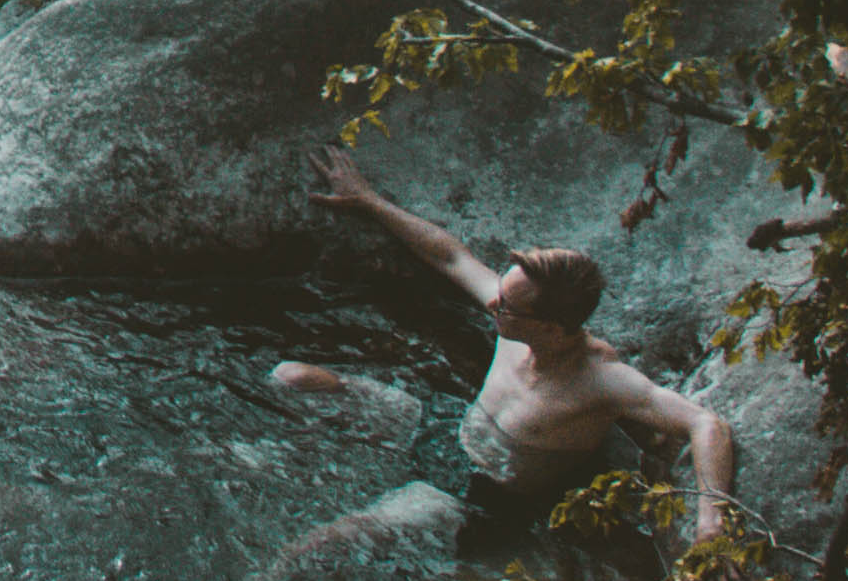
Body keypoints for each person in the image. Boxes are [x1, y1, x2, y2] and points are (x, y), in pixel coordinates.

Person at [275, 147, 739, 557]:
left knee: (323, 544)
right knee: (293, 377)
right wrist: (369, 201)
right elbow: (450, 256)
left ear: (553, 328)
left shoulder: (601, 379)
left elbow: (706, 425)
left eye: (509, 306)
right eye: (501, 291)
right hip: (449, 428)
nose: (493, 303)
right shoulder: (515, 320)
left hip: (476, 496)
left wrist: (710, 521)